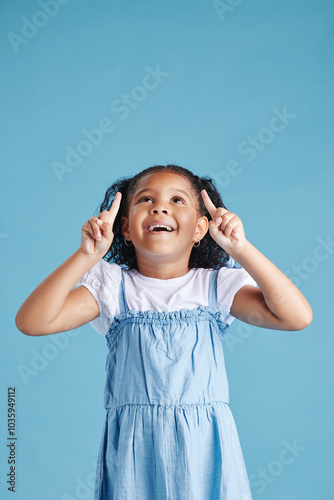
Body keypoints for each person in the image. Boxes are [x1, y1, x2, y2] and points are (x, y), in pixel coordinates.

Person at [15, 164, 313, 499]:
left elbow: (296, 316)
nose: (160, 207)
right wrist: (86, 256)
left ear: (201, 228)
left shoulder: (216, 285)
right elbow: (32, 322)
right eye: (145, 199)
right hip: (133, 448)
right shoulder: (112, 287)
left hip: (205, 448)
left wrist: (241, 249)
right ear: (124, 227)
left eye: (177, 200)